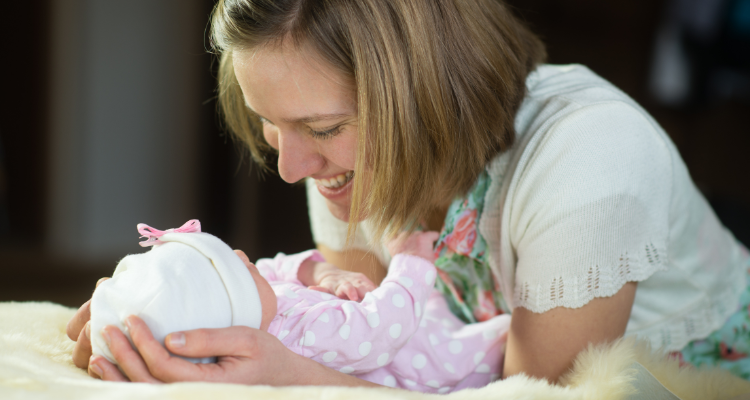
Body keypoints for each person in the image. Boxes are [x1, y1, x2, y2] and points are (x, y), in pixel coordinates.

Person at [67, 0, 750, 386]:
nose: (292, 168)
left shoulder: (591, 162)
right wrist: (169, 312)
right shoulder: (345, 162)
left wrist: (290, 379)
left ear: (422, 96)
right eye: (271, 127)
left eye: (322, 128)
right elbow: (366, 342)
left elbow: (535, 396)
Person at [89, 220, 509, 393]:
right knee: (495, 338)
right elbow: (379, 331)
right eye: (240, 272)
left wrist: (321, 275)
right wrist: (411, 265)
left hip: (419, 319)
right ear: (235, 319)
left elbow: (276, 268)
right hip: (427, 357)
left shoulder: (257, 303)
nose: (243, 257)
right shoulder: (300, 338)